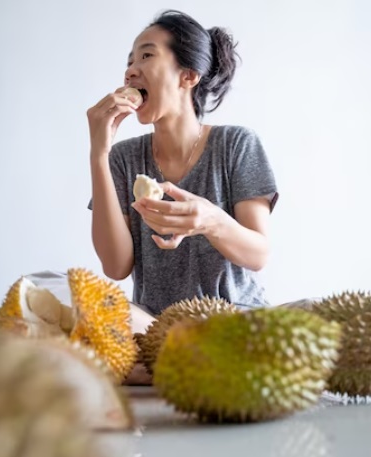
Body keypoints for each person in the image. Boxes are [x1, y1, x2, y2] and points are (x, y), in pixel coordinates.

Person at [87, 10, 278, 318]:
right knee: (55, 288)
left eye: (146, 55)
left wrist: (209, 220)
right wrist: (98, 153)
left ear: (188, 75)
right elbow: (116, 266)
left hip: (236, 325)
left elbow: (259, 254)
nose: (131, 71)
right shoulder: (122, 158)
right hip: (159, 332)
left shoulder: (236, 145)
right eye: (129, 62)